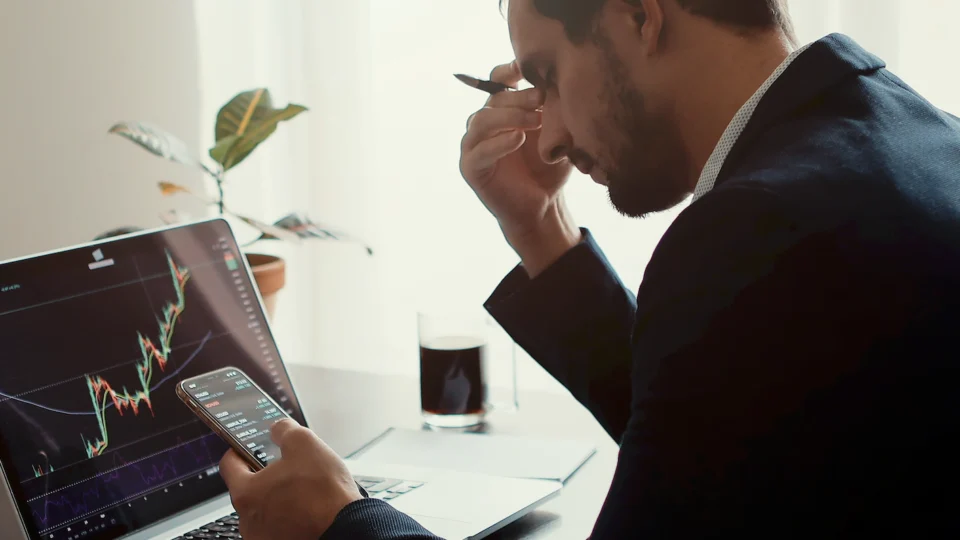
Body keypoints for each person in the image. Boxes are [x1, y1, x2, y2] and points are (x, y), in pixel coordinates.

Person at [218, 0, 960, 538]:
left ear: (639, 16)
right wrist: (537, 225)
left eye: (547, 73)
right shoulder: (915, 136)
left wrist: (345, 524)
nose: (549, 140)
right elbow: (711, 438)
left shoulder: (758, 228)